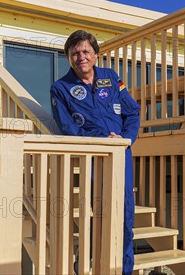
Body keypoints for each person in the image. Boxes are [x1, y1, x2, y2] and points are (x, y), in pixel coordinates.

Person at [50, 30, 140, 275]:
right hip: (92, 159)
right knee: (98, 214)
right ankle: (89, 267)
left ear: (96, 55)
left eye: (85, 51)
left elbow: (131, 112)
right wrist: (99, 144)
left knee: (124, 215)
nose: (81, 57)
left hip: (121, 155)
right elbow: (67, 127)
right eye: (75, 53)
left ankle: (124, 270)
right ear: (69, 57)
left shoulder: (110, 78)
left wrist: (127, 139)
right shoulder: (60, 88)